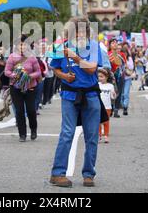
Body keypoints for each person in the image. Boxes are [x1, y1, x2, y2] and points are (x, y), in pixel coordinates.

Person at [49, 17, 103, 188]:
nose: (80, 33)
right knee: (67, 133)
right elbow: (55, 68)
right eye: (76, 30)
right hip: (69, 95)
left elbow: (92, 68)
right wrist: (65, 76)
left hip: (91, 95)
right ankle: (57, 173)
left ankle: (89, 174)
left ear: (87, 31)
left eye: (83, 29)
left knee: (92, 136)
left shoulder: (93, 46)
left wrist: (75, 57)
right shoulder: (61, 47)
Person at [5, 35, 42, 142]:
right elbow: (7, 71)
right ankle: (22, 134)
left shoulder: (32, 57)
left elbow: (38, 72)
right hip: (16, 87)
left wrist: (29, 76)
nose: (22, 46)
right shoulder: (12, 57)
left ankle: (33, 129)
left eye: (24, 44)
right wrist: (14, 75)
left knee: (31, 110)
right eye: (20, 44)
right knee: (19, 111)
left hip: (30, 87)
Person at [98, 69, 116, 144]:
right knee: (98, 121)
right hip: (98, 106)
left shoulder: (110, 86)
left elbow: (112, 97)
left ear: (106, 77)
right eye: (98, 76)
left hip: (108, 107)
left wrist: (114, 94)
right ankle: (98, 135)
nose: (100, 78)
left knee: (106, 121)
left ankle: (106, 135)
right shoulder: (97, 84)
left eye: (102, 76)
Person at [121, 46, 135, 116]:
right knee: (121, 94)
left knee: (126, 93)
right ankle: (122, 105)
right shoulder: (119, 58)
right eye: (123, 52)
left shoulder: (129, 58)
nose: (124, 54)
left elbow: (132, 67)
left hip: (128, 78)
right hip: (121, 78)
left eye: (125, 52)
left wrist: (127, 66)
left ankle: (125, 107)